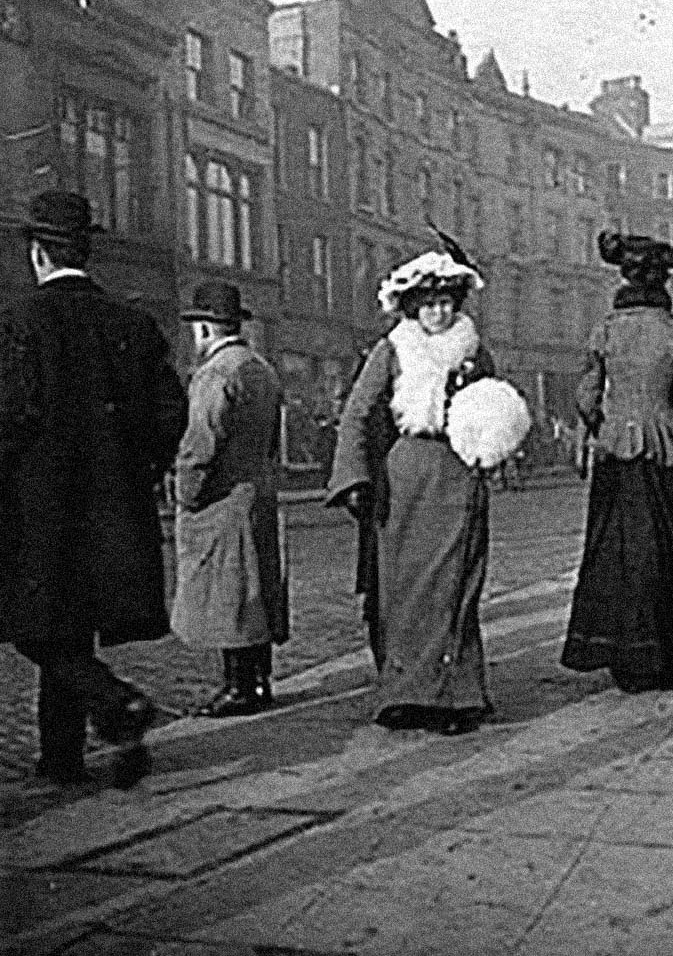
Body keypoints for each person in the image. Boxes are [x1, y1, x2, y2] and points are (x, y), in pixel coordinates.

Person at [0, 191, 188, 788]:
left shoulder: (16, 321)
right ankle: (62, 758)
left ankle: (112, 701)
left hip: (34, 507)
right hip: (112, 507)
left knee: (35, 626)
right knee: (68, 624)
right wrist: (135, 472)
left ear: (37, 254)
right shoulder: (133, 324)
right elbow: (169, 416)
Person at [326, 248, 498, 735]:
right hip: (405, 480)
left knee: (454, 588)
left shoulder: (474, 349)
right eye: (428, 304)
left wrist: (490, 441)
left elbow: (494, 404)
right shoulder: (393, 350)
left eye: (446, 303)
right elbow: (358, 413)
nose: (438, 313)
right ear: (412, 307)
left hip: (458, 474)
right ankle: (404, 694)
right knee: (403, 590)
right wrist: (354, 478)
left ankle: (455, 696)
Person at [562, 232, 673, 692]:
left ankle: (627, 656)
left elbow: (585, 392)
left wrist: (608, 424)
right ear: (664, 283)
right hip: (669, 450)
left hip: (617, 453)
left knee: (618, 551)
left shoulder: (605, 330)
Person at [171, 280, 287, 716]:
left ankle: (237, 688)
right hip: (257, 494)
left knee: (228, 595)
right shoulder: (261, 368)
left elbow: (198, 446)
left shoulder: (215, 374)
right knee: (255, 590)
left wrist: (187, 496)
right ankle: (258, 682)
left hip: (222, 501)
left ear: (204, 329)